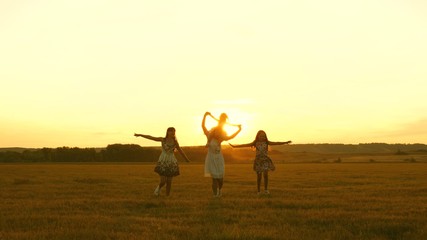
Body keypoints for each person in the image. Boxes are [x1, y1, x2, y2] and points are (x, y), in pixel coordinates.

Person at [229, 130, 291, 195]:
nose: (262, 137)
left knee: (266, 175)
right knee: (259, 176)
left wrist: (285, 142)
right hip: (258, 161)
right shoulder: (255, 142)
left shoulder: (266, 142)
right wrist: (235, 146)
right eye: (261, 136)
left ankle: (266, 190)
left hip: (265, 160)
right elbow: (245, 145)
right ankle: (258, 191)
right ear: (258, 136)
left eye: (264, 136)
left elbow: (276, 143)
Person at [134, 127, 190, 197]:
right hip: (163, 160)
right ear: (167, 132)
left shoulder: (175, 142)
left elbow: (180, 150)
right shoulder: (162, 140)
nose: (172, 133)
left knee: (169, 181)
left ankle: (167, 197)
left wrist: (186, 159)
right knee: (163, 181)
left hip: (171, 161)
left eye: (174, 131)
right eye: (171, 131)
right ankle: (157, 190)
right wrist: (140, 135)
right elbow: (151, 137)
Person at [202, 112, 242, 197]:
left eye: (219, 132)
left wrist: (239, 130)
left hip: (219, 159)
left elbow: (231, 136)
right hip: (211, 158)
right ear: (214, 132)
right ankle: (215, 195)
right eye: (216, 131)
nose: (217, 133)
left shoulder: (221, 138)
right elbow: (203, 126)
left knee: (220, 179)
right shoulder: (209, 136)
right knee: (214, 179)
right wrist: (205, 116)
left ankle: (220, 190)